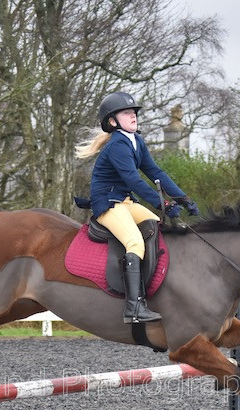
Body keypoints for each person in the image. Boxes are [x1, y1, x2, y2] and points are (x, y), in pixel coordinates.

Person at [75, 91, 199, 324]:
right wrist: (162, 203)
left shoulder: (136, 141)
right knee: (134, 242)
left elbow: (155, 172)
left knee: (157, 225)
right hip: (109, 205)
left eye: (134, 113)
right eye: (127, 113)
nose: (133, 116)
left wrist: (183, 198)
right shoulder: (117, 146)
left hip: (126, 202)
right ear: (113, 121)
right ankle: (133, 307)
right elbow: (134, 180)